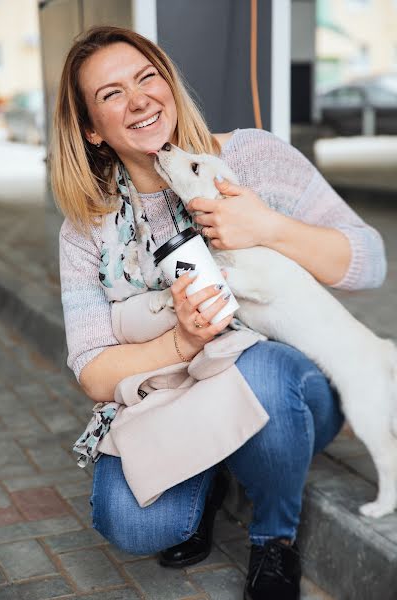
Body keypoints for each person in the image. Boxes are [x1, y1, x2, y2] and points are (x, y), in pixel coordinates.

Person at [53, 26, 386, 600]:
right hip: (179, 394)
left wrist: (270, 228)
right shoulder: (87, 226)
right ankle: (210, 474)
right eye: (110, 95)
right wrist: (181, 342)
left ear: (169, 83)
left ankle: (274, 538)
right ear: (91, 130)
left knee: (261, 369)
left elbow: (371, 262)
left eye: (146, 78)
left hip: (289, 387)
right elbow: (92, 370)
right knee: (133, 523)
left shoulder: (250, 157)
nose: (137, 100)